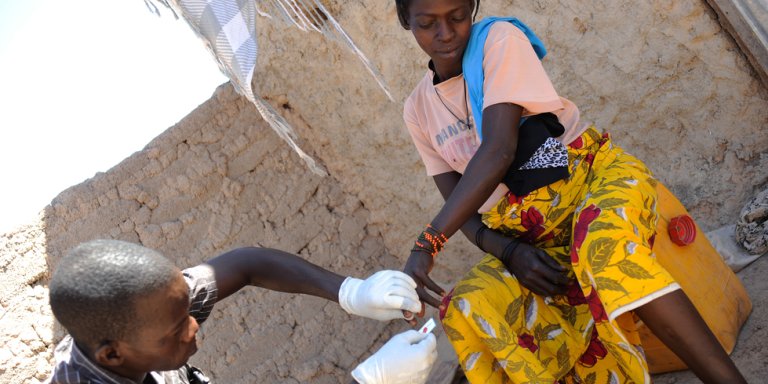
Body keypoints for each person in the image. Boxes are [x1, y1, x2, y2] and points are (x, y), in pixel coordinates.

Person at [394, 0, 747, 383]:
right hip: (530, 236)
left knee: (603, 249)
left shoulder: (498, 41)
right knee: (468, 305)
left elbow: (499, 150)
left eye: (458, 17)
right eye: (428, 23)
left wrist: (427, 245)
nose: (446, 34)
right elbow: (464, 211)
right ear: (405, 21)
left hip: (594, 186)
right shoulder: (418, 109)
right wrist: (511, 252)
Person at [45, 239, 436, 384]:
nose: (194, 325)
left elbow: (248, 263)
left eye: (187, 308)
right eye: (177, 328)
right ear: (112, 354)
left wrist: (352, 292)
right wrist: (372, 380)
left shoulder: (148, 308)